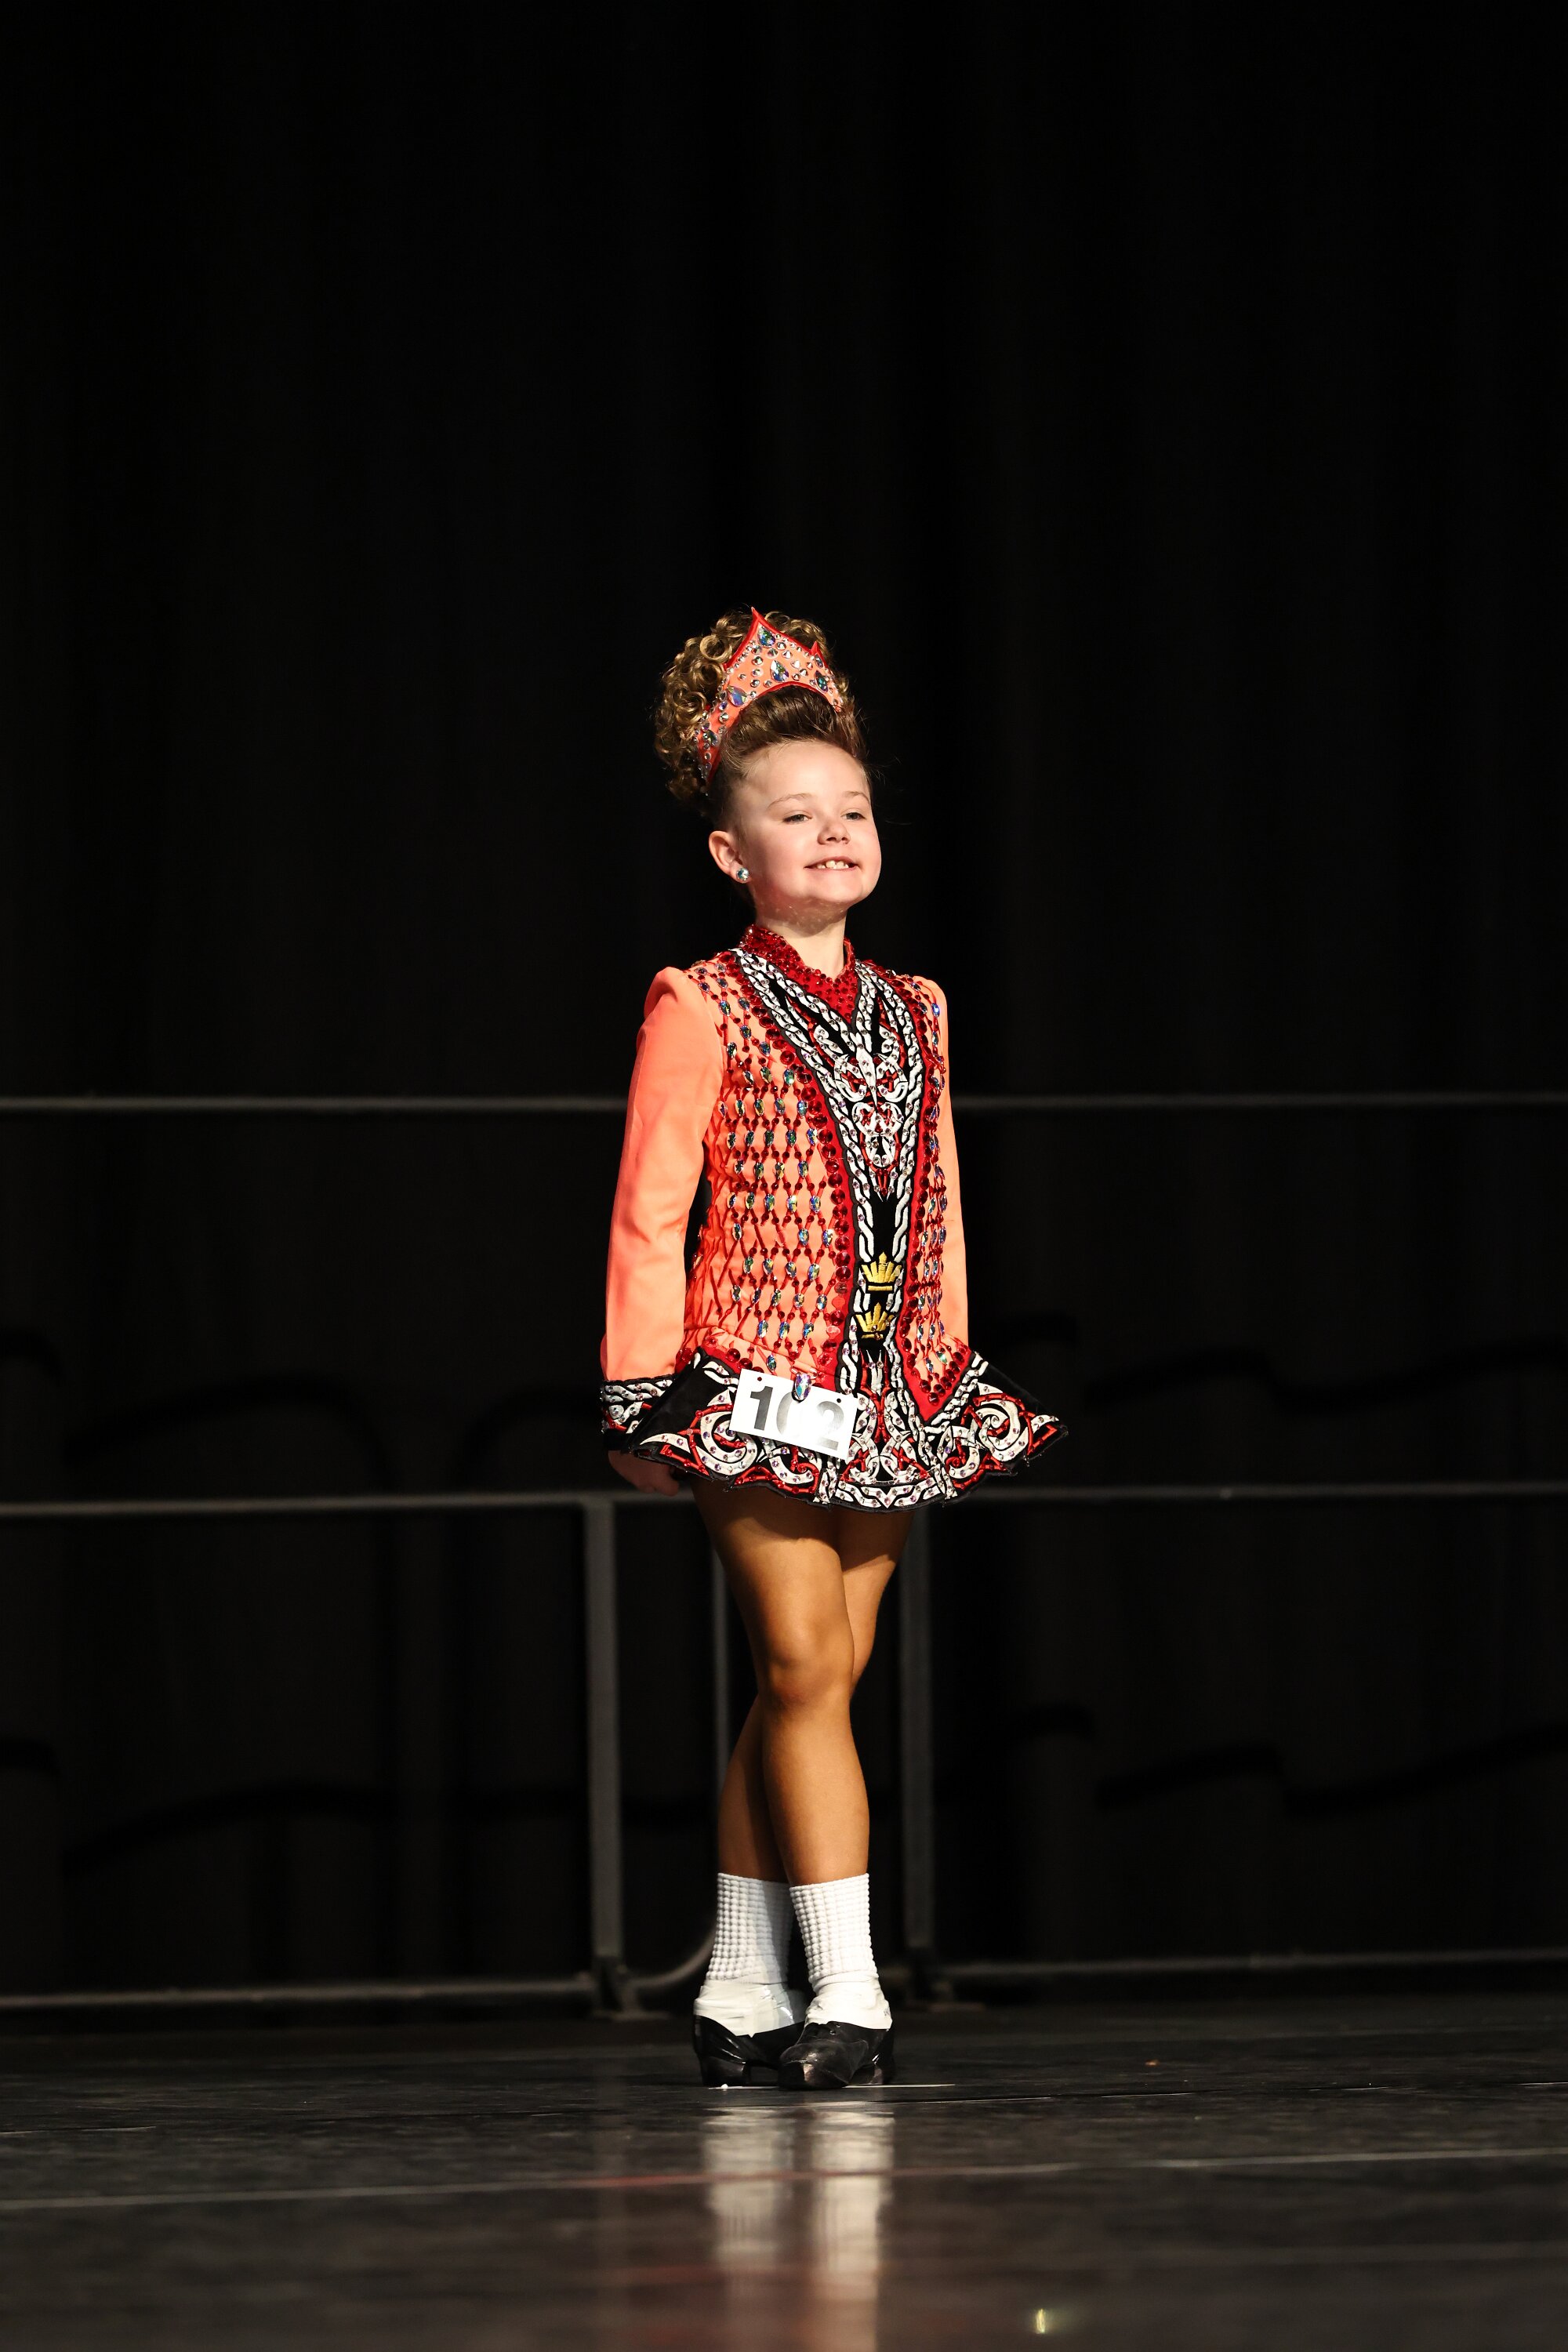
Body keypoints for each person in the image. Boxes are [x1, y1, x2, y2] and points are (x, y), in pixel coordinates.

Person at [600, 608, 1066, 2089]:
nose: (834, 833)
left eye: (851, 810)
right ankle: (852, 1992)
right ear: (731, 850)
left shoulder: (918, 1010)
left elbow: (938, 1197)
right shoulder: (700, 1001)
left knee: (814, 1680)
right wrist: (640, 1395)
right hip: (752, 1386)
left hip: (882, 1392)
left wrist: (945, 1360)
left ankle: (740, 1981)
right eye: (796, 814)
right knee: (804, 1665)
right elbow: (651, 1209)